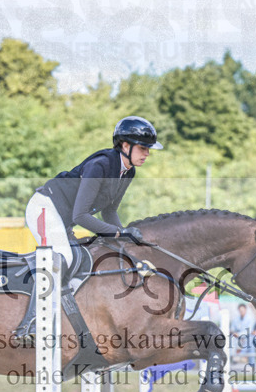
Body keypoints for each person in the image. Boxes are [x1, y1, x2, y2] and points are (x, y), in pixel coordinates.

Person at [15, 116, 163, 338]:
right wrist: (119, 233)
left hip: (62, 218)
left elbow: (110, 211)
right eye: (143, 148)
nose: (147, 154)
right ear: (125, 145)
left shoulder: (128, 171)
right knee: (62, 256)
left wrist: (124, 243)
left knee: (86, 258)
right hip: (44, 208)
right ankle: (31, 323)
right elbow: (81, 215)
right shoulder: (100, 165)